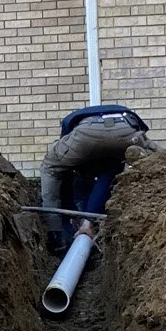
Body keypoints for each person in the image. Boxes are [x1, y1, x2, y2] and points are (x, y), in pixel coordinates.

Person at [37, 104, 151, 254]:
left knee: (51, 168)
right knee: (117, 168)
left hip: (85, 134)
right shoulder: (122, 110)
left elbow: (65, 171)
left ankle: (55, 235)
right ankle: (88, 223)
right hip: (127, 132)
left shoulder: (70, 122)